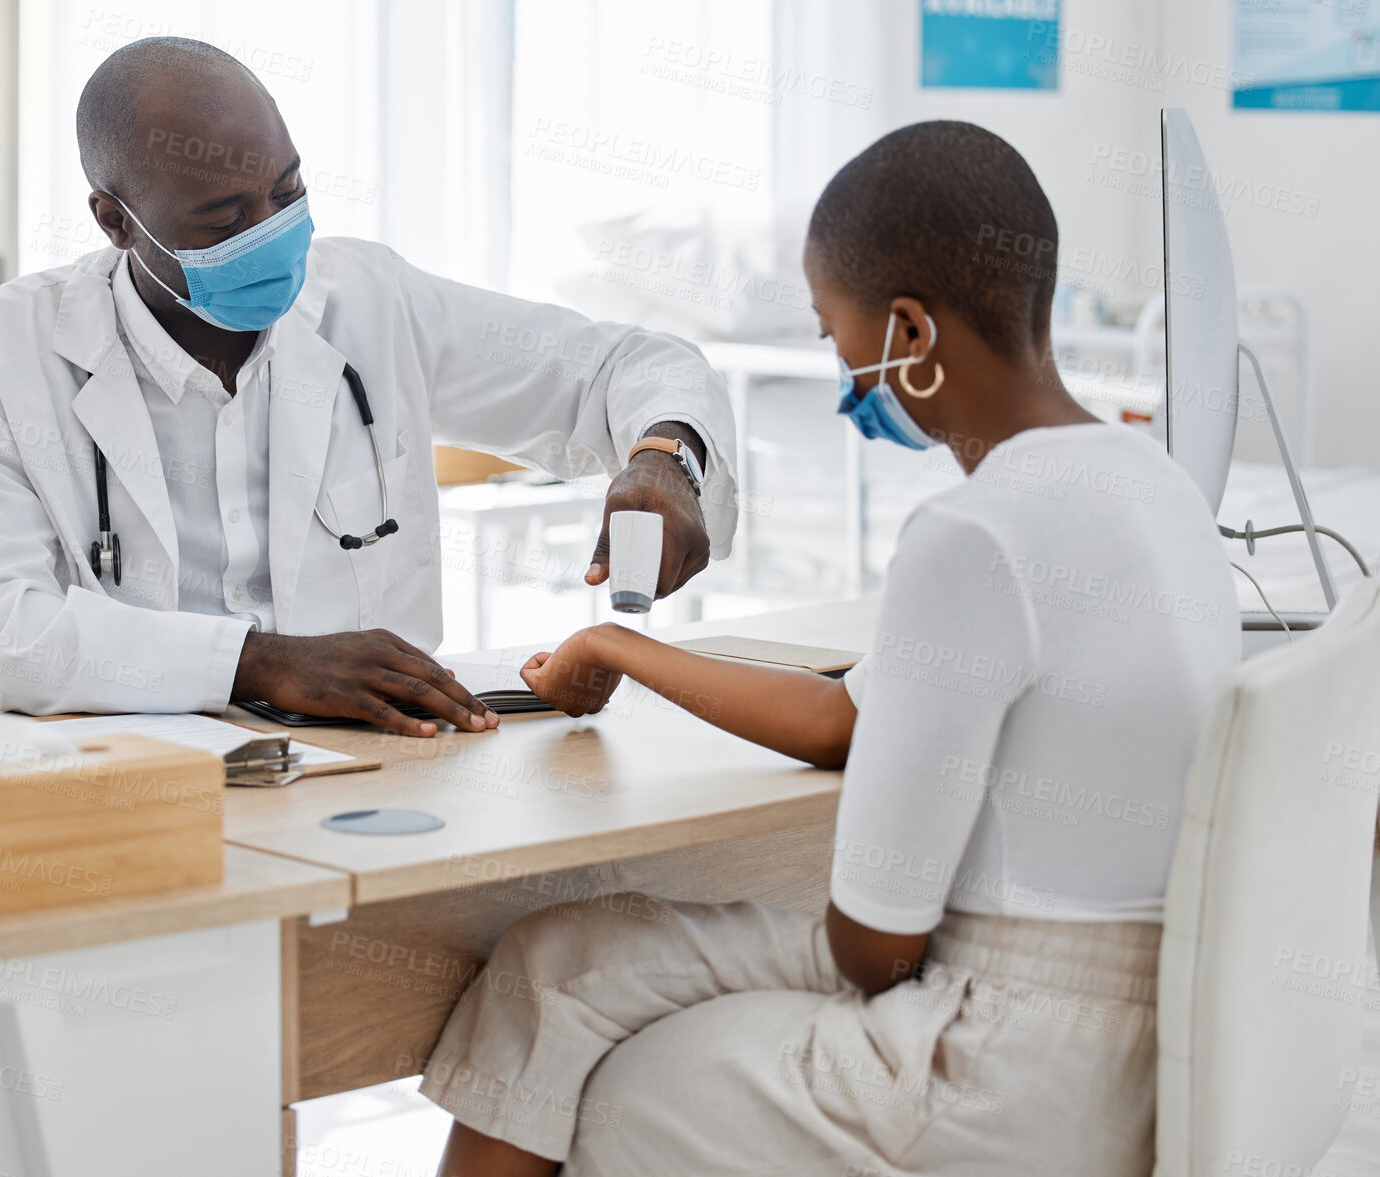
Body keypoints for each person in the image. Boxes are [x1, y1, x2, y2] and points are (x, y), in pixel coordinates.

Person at [420, 121, 1241, 1175]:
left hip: (1000, 1064)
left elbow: (874, 948)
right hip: (1143, 1037)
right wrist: (618, 647)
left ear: (909, 328)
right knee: (558, 962)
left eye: (832, 333)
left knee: (609, 1060)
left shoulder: (972, 536)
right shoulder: (1157, 486)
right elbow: (848, 719)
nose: (844, 370)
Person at [0, 37, 737, 734]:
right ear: (115, 220)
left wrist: (667, 455)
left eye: (287, 190)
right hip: (136, 794)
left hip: (388, 762)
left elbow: (625, 365)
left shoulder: (374, 302)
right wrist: (257, 663)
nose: (271, 232)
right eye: (225, 219)